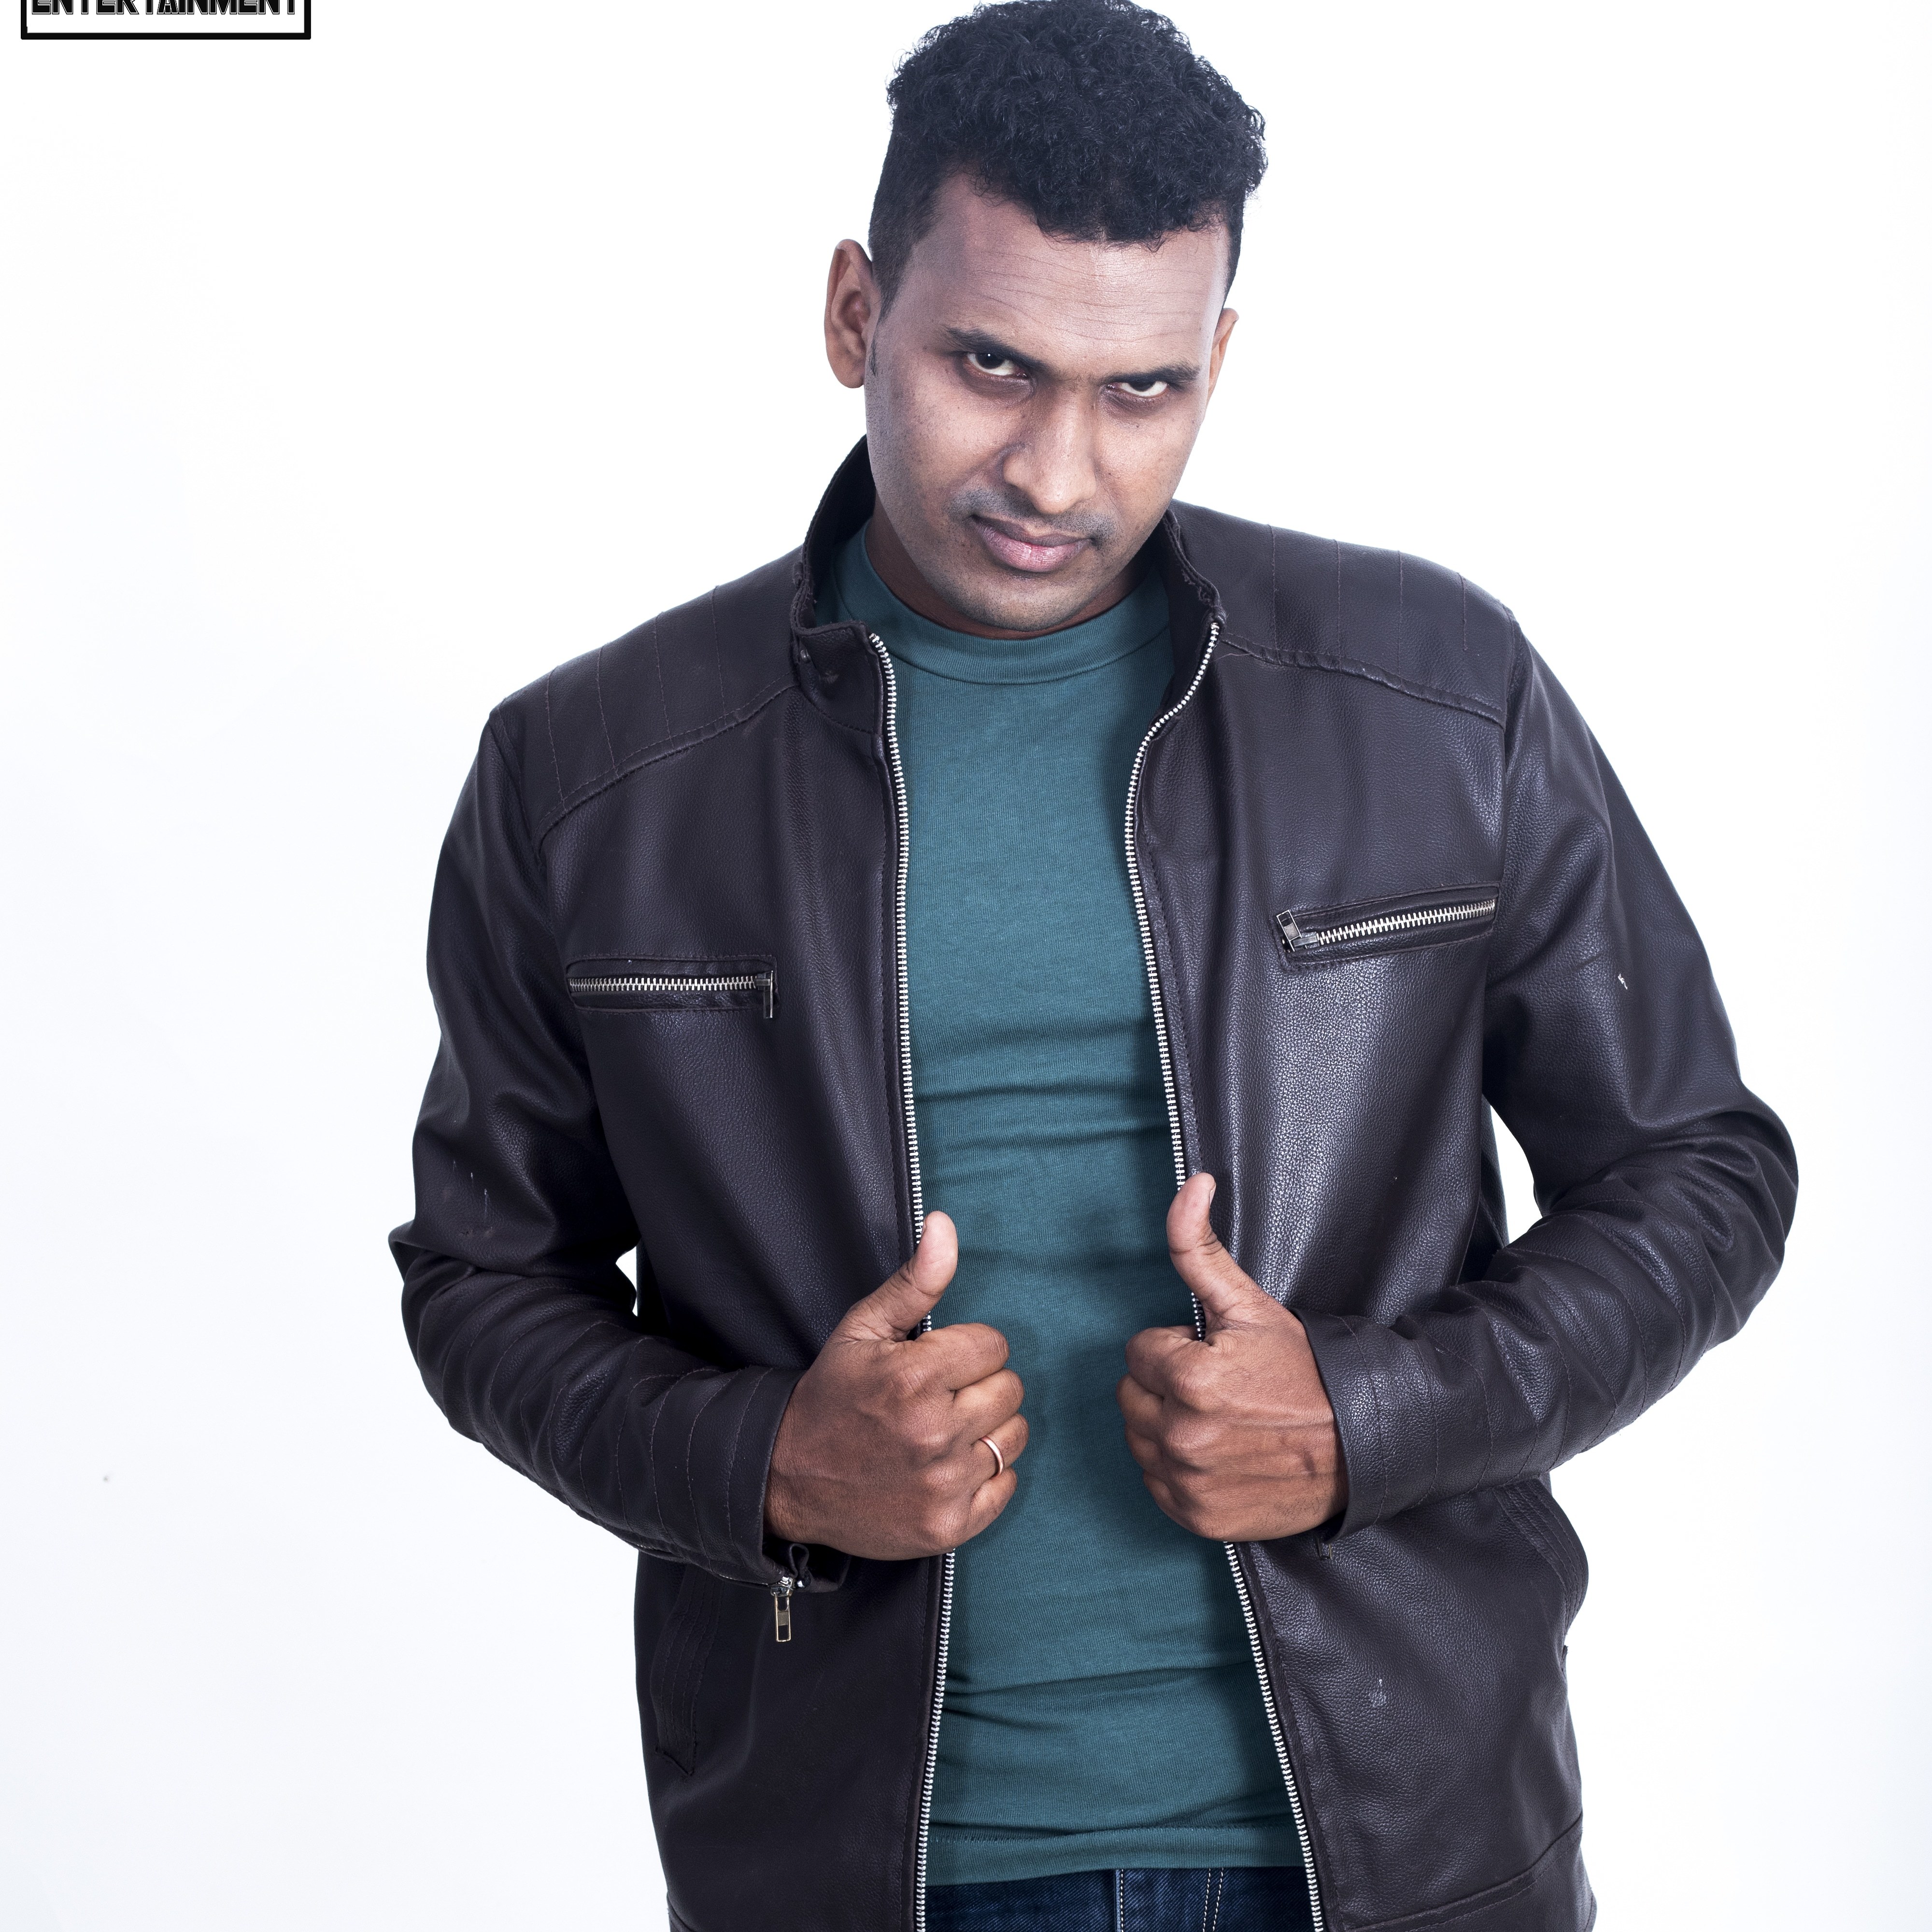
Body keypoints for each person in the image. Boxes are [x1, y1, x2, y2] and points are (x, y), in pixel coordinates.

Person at [391, 4, 1796, 1929]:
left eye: (1143, 390)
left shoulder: (1433, 696)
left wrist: (1367, 1418)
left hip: (1396, 1845)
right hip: (867, 1868)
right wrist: (765, 1461)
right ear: (853, 314)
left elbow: (1700, 1172)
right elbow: (483, 1279)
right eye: (991, 365)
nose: (1055, 470)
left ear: (1218, 359)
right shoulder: (595, 775)